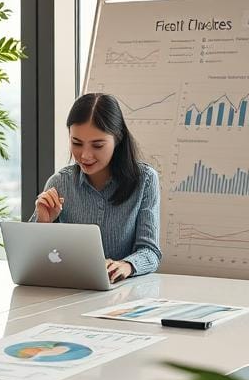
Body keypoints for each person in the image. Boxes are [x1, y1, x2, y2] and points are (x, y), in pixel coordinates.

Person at [32, 92, 161, 282]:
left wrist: (126, 266)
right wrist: (43, 222)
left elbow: (150, 252)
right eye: (76, 143)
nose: (85, 155)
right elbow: (33, 260)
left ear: (118, 139)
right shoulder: (59, 183)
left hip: (123, 293)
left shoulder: (145, 180)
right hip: (71, 292)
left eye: (97, 145)